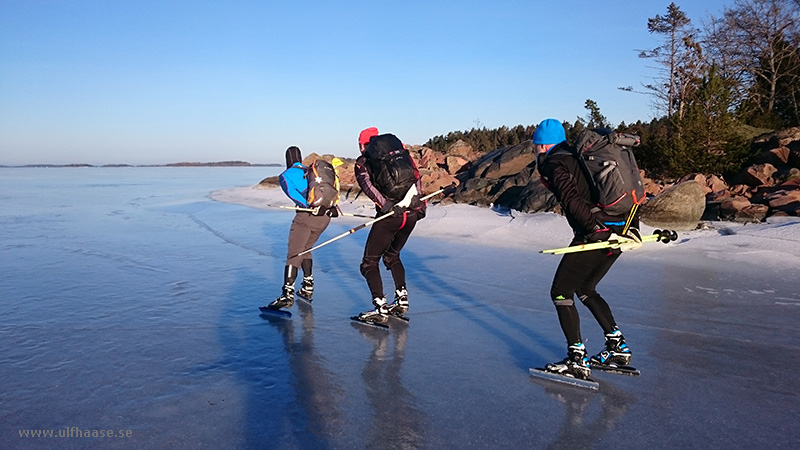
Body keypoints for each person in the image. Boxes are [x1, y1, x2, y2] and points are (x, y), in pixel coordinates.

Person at [533, 118, 640, 379]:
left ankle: (576, 359)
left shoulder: (555, 162)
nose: (534, 150)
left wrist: (594, 230)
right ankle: (617, 346)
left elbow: (570, 199)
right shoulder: (579, 157)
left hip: (597, 233)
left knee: (561, 292)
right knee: (585, 288)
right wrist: (631, 227)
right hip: (621, 229)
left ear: (544, 146)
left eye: (535, 145)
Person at [353, 127, 426, 325]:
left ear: (362, 145)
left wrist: (386, 206)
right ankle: (402, 299)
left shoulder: (364, 163)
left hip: (391, 217)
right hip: (410, 214)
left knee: (369, 263)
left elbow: (368, 187)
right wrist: (419, 203)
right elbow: (416, 175)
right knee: (392, 256)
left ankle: (380, 307)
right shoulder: (400, 154)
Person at [264, 146, 341, 311]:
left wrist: (309, 206)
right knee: (306, 249)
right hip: (325, 218)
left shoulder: (285, 176)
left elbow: (295, 196)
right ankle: (307, 286)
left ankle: (287, 295)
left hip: (307, 216)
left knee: (294, 253)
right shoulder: (310, 170)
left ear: (287, 160)